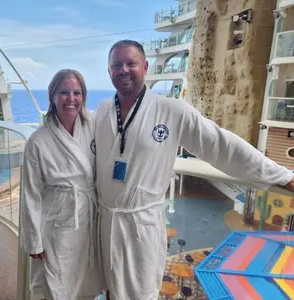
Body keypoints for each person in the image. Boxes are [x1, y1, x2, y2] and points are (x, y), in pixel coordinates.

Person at [94, 40, 294, 300]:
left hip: (140, 227)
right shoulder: (101, 112)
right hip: (106, 221)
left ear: (144, 67)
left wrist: (283, 176)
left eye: (130, 63)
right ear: (109, 72)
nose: (123, 70)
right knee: (109, 288)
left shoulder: (172, 111)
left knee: (139, 293)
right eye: (116, 65)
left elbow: (222, 146)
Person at [19, 69, 103, 300]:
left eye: (77, 93)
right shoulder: (38, 141)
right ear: (53, 96)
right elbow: (30, 195)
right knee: (56, 281)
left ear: (83, 97)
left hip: (87, 220)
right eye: (64, 92)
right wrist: (33, 242)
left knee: (84, 281)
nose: (71, 98)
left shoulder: (93, 126)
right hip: (56, 226)